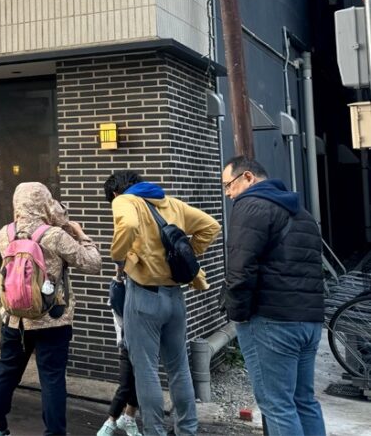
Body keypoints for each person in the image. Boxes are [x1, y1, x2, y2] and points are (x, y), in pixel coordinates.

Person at [108, 170, 221, 436]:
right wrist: (187, 254)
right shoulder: (172, 203)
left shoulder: (124, 201)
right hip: (175, 296)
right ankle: (187, 430)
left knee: (146, 369)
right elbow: (211, 226)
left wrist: (119, 255)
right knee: (179, 366)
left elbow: (128, 225)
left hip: (144, 295)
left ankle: (155, 432)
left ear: (115, 193)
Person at [221, 157, 326, 436]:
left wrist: (238, 315)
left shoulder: (250, 205)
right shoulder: (300, 211)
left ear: (247, 178)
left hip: (271, 320)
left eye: (229, 185)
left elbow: (241, 268)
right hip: (309, 320)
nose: (228, 194)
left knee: (277, 405)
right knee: (304, 401)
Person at [0, 182, 101, 436]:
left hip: (15, 319)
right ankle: (54, 432)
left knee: (7, 371)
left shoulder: (5, 233)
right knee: (51, 378)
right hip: (52, 319)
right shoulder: (54, 235)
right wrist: (80, 235)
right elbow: (93, 264)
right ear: (45, 202)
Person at [97, 262, 141, 436]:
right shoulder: (120, 287)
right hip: (127, 342)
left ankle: (128, 418)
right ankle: (111, 421)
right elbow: (117, 306)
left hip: (143, 339)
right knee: (126, 385)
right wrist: (120, 274)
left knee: (139, 383)